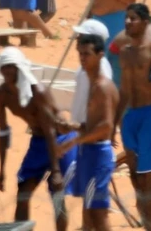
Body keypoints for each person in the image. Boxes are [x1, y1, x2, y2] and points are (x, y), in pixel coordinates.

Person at [0, 45, 76, 231]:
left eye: (11, 67)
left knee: (56, 193)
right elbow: (3, 132)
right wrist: (2, 170)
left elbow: (50, 130)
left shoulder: (37, 92)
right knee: (23, 192)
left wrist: (55, 171)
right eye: (4, 67)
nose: (7, 71)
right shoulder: (1, 94)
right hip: (38, 141)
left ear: (19, 68)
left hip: (59, 140)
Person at [111, 3, 151, 229]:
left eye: (132, 19)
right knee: (135, 176)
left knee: (146, 177)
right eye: (126, 18)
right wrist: (115, 123)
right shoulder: (124, 51)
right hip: (130, 117)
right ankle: (146, 222)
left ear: (144, 22)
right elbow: (124, 90)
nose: (127, 22)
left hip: (150, 114)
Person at [58, 31, 118, 231]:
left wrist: (73, 142)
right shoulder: (92, 84)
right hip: (88, 153)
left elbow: (106, 127)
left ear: (100, 55)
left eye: (87, 54)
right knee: (90, 212)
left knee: (98, 216)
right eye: (80, 54)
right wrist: (72, 128)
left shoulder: (102, 86)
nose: (82, 58)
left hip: (98, 154)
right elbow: (92, 124)